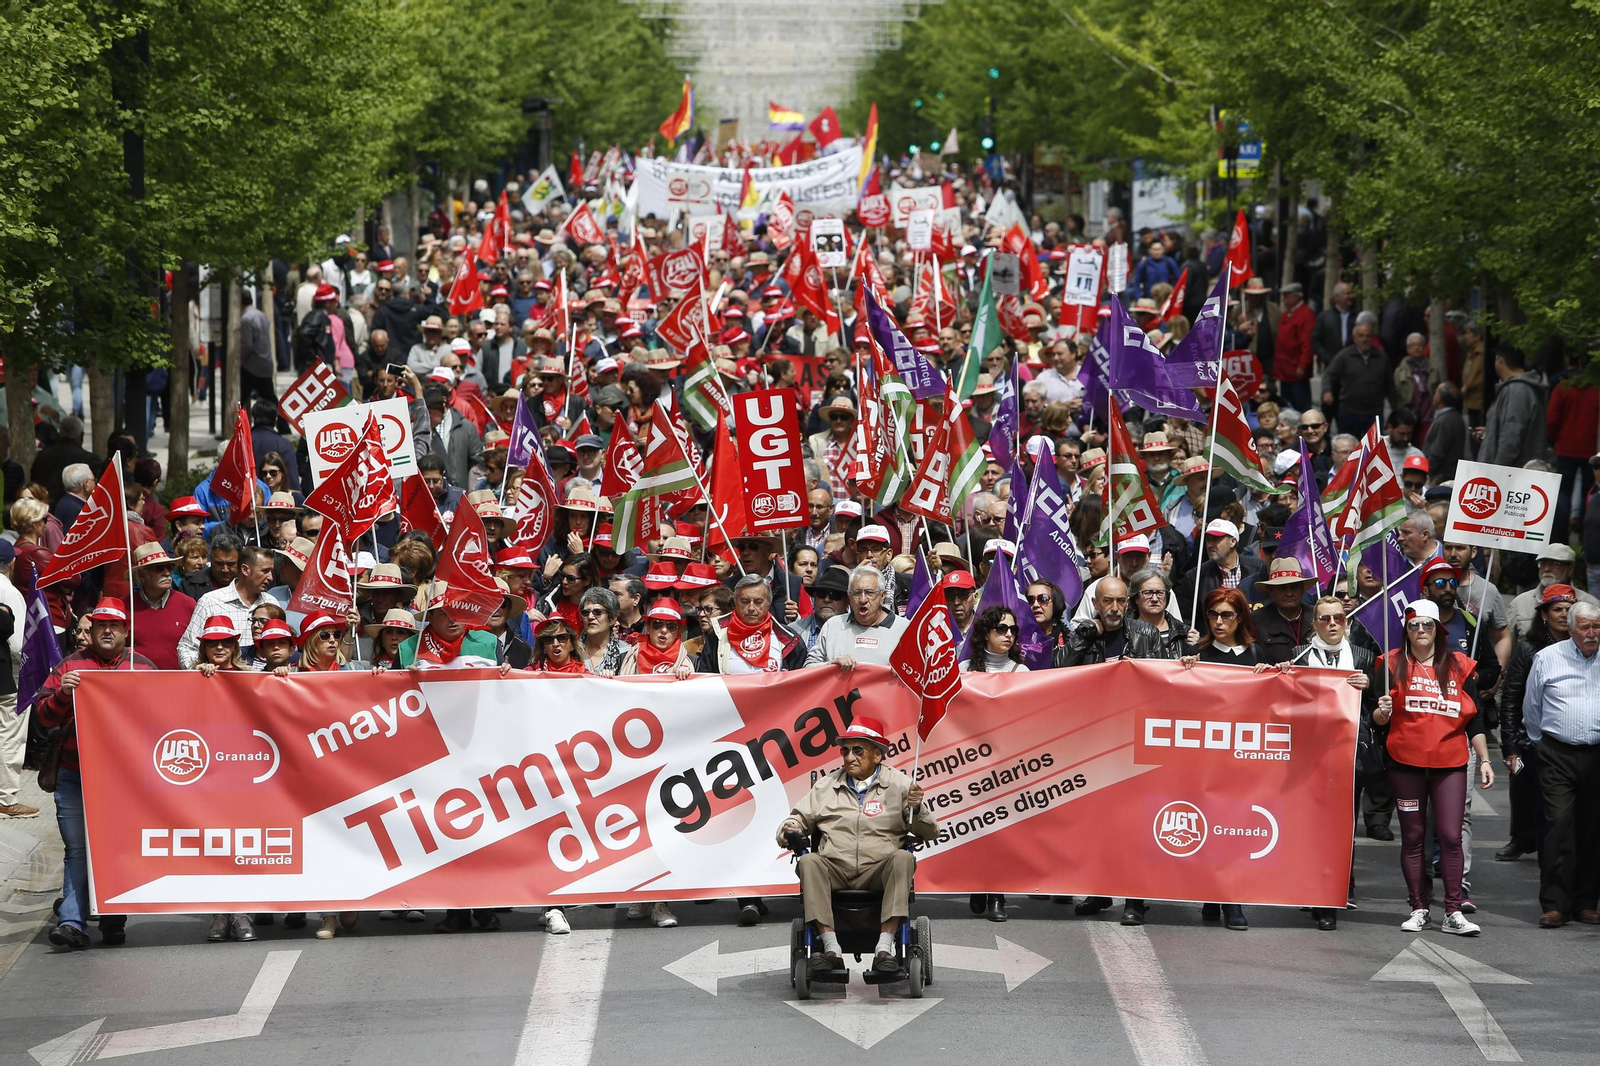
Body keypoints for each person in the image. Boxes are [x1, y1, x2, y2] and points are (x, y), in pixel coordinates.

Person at [37, 598, 157, 950]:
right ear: (91, 631)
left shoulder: (145, 668)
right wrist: (63, 694)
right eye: (100, 624)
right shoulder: (70, 666)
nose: (107, 630)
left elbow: (164, 718)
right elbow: (43, 717)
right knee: (77, 848)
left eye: (114, 625)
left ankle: (113, 919)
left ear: (125, 630)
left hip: (123, 780)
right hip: (75, 773)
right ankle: (72, 922)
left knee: (114, 847)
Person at [777, 716, 937, 977]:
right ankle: (831, 950)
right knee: (808, 861)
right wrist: (788, 829)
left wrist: (917, 808)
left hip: (879, 871)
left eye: (857, 750)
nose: (849, 756)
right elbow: (797, 818)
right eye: (845, 750)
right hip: (835, 871)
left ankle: (885, 948)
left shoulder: (901, 786)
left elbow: (931, 831)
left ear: (877, 755)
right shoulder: (826, 786)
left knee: (903, 858)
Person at [1373, 599, 1494, 936]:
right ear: (1406, 630)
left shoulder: (1459, 665)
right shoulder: (1391, 663)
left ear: (1439, 630)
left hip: (1450, 764)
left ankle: (1453, 911)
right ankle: (1419, 907)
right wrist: (1381, 711)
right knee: (1412, 837)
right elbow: (1377, 719)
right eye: (1414, 625)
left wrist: (1484, 760)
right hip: (1404, 765)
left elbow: (1476, 720)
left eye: (1427, 625)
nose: (1421, 631)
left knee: (1452, 836)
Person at [1292, 595, 1378, 930]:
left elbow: (1378, 711)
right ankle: (1310, 888)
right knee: (1309, 824)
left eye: (1338, 618)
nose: (1332, 624)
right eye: (1324, 619)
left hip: (1348, 756)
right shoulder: (1297, 656)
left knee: (1342, 825)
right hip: (1307, 756)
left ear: (1347, 622)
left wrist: (1370, 689)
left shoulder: (1364, 658)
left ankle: (1331, 896)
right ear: (1313, 624)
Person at [1520, 601, 1600, 928]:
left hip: (1596, 755)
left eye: (1597, 627)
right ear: (1570, 627)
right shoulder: (1547, 658)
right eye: (1586, 627)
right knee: (1559, 824)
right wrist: (1542, 743)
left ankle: (1585, 903)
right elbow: (1531, 708)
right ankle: (1555, 904)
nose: (1593, 633)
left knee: (1592, 829)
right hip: (1556, 753)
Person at [189, 615, 258, 941]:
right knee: (215, 848)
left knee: (243, 847)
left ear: (235, 645)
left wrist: (281, 675)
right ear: (203, 647)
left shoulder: (254, 678)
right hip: (209, 777)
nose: (220, 648)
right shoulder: (191, 680)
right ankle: (219, 915)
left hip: (247, 776)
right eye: (213, 643)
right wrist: (198, 680)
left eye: (226, 642)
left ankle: (242, 914)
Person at [1498, 584, 1576, 864]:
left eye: (1569, 609)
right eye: (1558, 609)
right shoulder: (1528, 650)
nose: (1564, 615)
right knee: (1535, 804)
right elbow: (1511, 699)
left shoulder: (1588, 648)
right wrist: (1511, 746)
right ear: (1544, 614)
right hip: (1533, 743)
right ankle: (1531, 847)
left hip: (1575, 744)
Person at [177, 545, 274, 667]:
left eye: (271, 571)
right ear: (245, 570)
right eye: (265, 571)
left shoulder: (271, 603)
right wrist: (197, 669)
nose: (271, 577)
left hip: (261, 683)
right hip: (216, 682)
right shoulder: (211, 601)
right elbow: (187, 647)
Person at [696, 574, 807, 676]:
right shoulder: (716, 636)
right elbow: (705, 679)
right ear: (735, 602)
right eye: (745, 601)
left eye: (758, 602)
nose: (751, 608)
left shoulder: (789, 638)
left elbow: (804, 683)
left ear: (768, 603)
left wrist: (789, 680)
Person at [805, 565, 910, 669]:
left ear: (882, 596)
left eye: (869, 593)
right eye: (857, 593)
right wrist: (831, 665)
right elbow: (808, 667)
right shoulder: (832, 625)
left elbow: (918, 673)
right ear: (849, 597)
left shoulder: (905, 629)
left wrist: (902, 672)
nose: (862, 599)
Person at [1057, 577, 1165, 668]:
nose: (1114, 608)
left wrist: (1137, 668)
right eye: (1107, 601)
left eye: (1120, 601)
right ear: (1095, 603)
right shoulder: (1083, 636)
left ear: (1127, 603)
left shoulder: (1148, 634)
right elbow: (1060, 670)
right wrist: (1084, 635)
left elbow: (1164, 674)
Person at [1477, 345, 1547, 469]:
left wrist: (1497, 471)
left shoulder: (1517, 390)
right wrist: (1492, 432)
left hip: (1510, 477)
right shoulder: (1519, 388)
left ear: (1500, 361)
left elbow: (1512, 436)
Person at [128, 542, 195, 670]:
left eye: (169, 567)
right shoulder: (125, 607)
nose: (167, 573)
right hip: (138, 683)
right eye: (159, 568)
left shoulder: (188, 604)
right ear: (142, 575)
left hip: (178, 683)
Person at [1251, 558, 1316, 664]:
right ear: (1271, 591)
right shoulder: (1256, 621)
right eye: (1282, 588)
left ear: (1302, 589)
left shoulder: (1318, 616)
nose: (1289, 593)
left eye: (1294, 587)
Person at [575, 587, 629, 675]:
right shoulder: (572, 650)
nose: (590, 617)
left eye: (597, 612)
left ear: (612, 619)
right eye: (586, 613)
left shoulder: (626, 653)